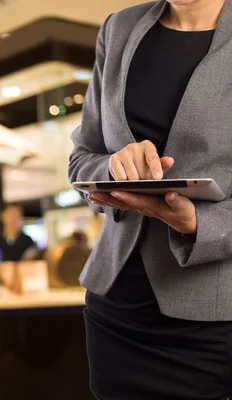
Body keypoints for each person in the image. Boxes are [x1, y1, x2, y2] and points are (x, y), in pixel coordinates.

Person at [68, 0, 232, 398]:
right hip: (117, 309)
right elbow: (80, 161)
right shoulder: (119, 28)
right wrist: (112, 168)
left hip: (214, 318)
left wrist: (197, 223)